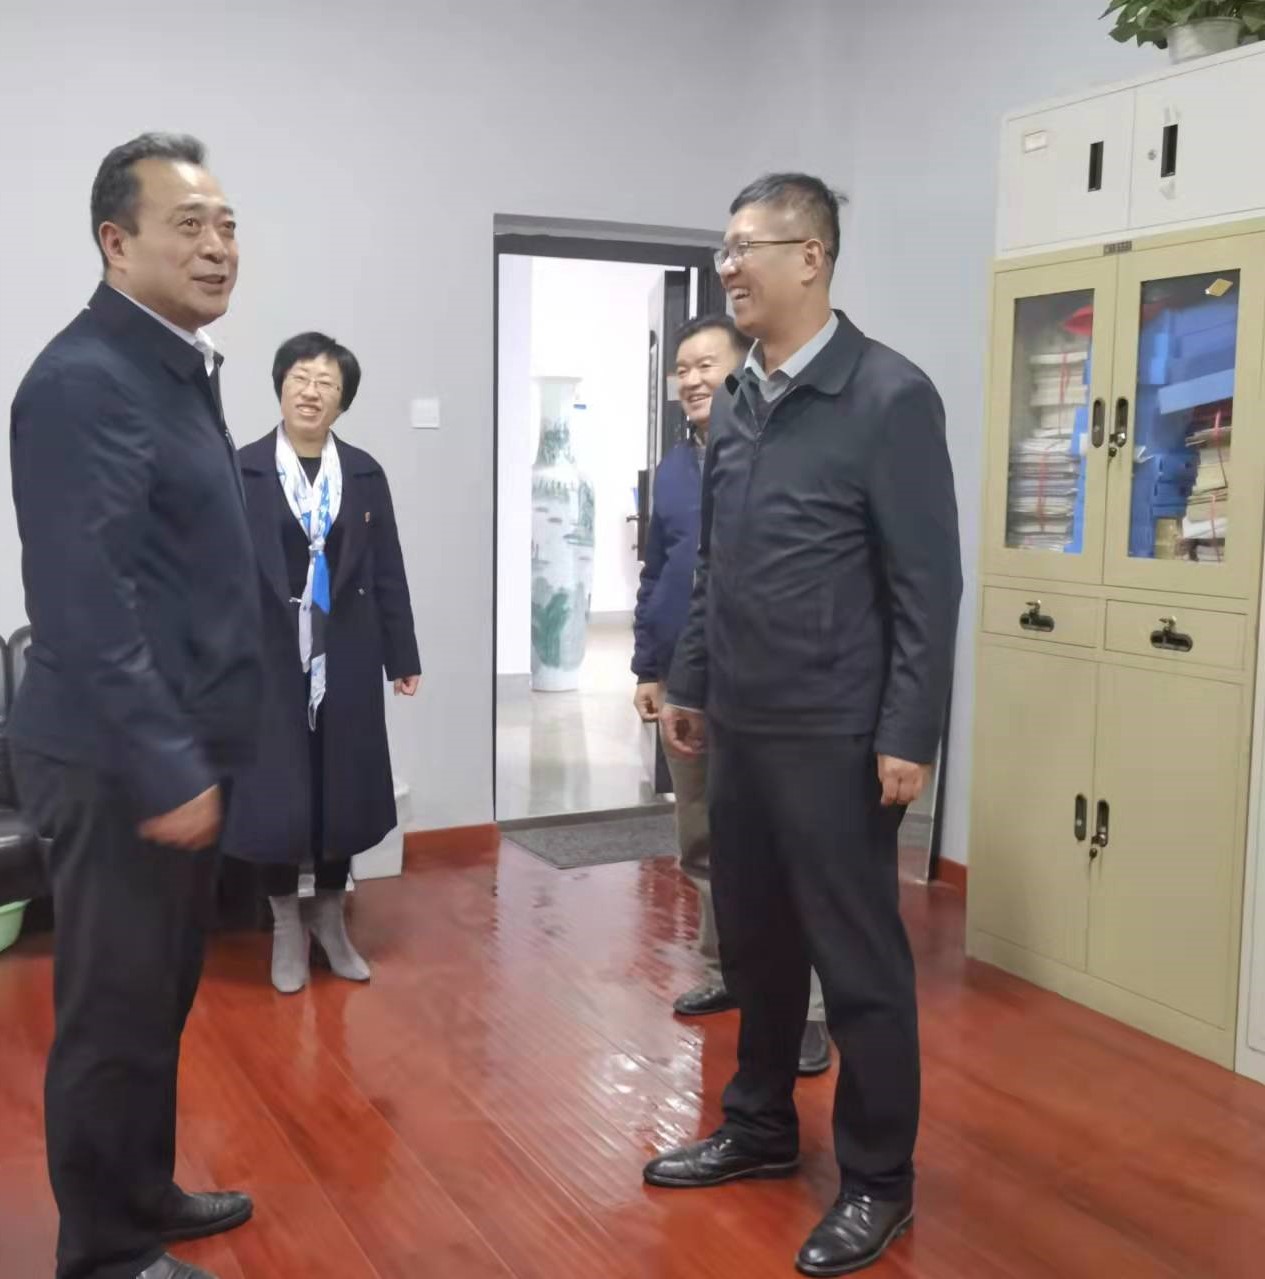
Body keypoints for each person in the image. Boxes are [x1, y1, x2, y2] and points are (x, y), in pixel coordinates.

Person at [643, 174, 961, 1278]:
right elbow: (713, 565)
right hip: (740, 722)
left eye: (748, 247)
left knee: (856, 962)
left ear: (811, 257)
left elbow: (926, 584)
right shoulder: (736, 399)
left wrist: (908, 731)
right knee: (757, 946)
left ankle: (878, 1178)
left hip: (836, 732)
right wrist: (689, 683)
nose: (728, 267)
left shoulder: (887, 395)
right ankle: (759, 1123)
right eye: (722, 248)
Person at [8, 134, 262, 1279]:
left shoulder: (171, 365)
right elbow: (83, 600)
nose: (218, 247)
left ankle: (142, 1191)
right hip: (116, 760)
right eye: (188, 225)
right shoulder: (83, 380)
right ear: (116, 242)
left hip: (171, 748)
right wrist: (165, 762)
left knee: (157, 997)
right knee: (111, 1016)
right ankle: (105, 1252)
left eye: (227, 225)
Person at [632, 315, 831, 1077]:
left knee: (783, 849)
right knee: (701, 839)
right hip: (686, 685)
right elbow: (658, 570)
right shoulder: (675, 468)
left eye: (705, 364)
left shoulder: (778, 453)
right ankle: (730, 972)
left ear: (744, 369)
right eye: (681, 367)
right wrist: (648, 667)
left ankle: (805, 1007)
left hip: (763, 686)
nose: (689, 379)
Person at [224, 333, 421, 994]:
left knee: (341, 789)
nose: (311, 392)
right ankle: (286, 925)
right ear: (280, 385)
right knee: (275, 795)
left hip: (348, 653)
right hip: (267, 655)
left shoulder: (363, 473)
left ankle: (331, 922)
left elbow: (387, 568)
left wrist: (402, 654)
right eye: (301, 378)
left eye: (327, 383)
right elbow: (215, 572)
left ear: (343, 400)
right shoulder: (242, 468)